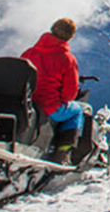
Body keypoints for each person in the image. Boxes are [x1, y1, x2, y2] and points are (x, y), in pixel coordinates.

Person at [21, 18, 85, 165]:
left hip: (27, 104)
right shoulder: (67, 59)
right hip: (49, 106)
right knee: (77, 111)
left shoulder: (29, 52)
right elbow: (69, 95)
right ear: (70, 36)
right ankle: (62, 152)